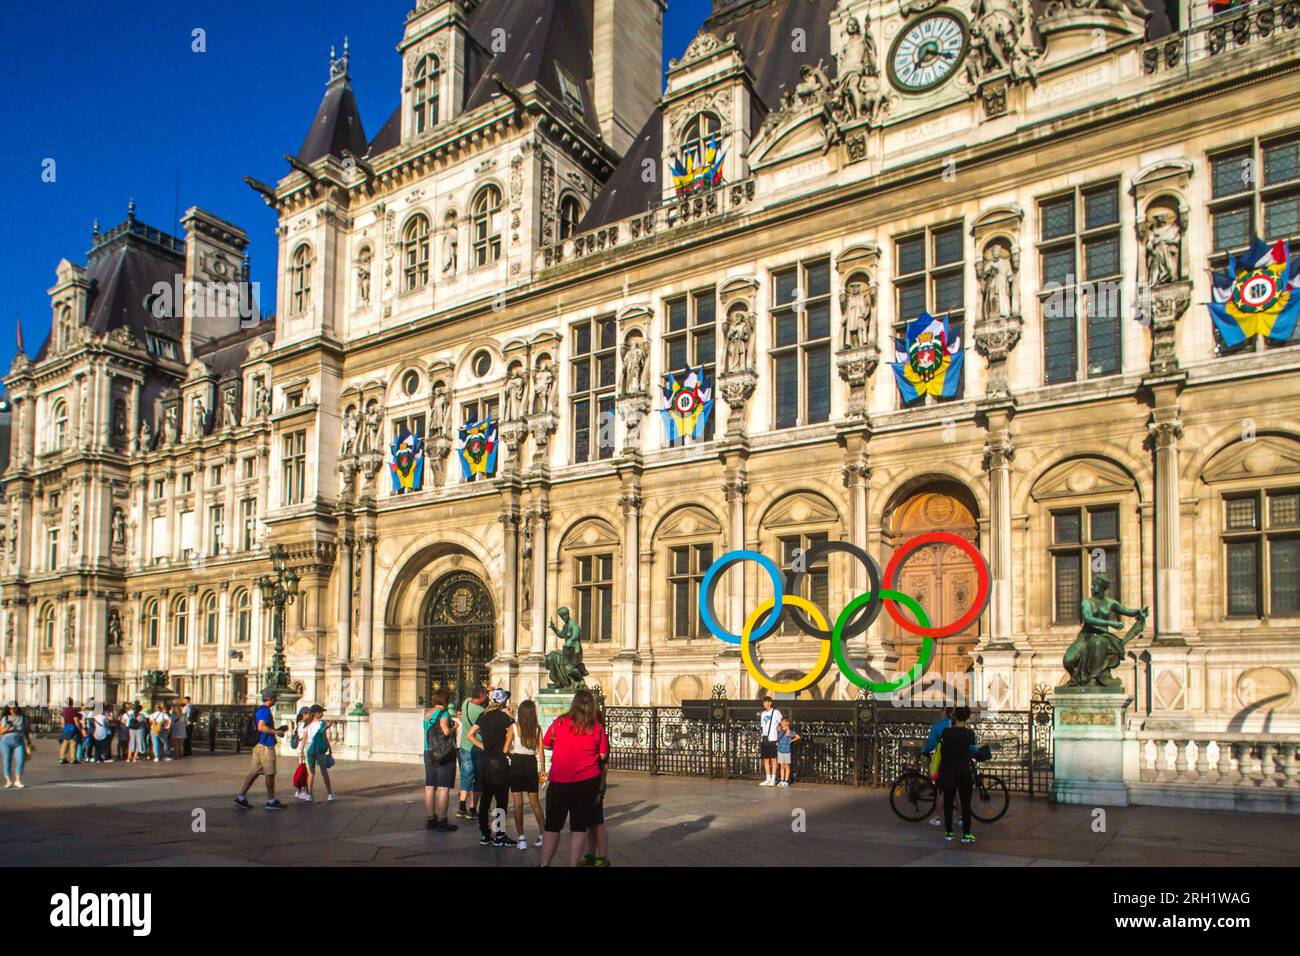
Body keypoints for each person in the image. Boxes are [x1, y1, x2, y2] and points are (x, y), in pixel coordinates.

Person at [540, 689, 608, 867]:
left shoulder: (559, 722)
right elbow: (602, 755)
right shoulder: (596, 728)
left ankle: (545, 864)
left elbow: (546, 743)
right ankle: (572, 864)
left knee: (552, 826)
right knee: (579, 827)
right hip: (586, 782)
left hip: (559, 780)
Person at [469, 688, 515, 847]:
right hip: (500, 762)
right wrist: (506, 748)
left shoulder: (483, 716)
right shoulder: (504, 717)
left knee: (486, 799)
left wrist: (482, 745)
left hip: (487, 762)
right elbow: (512, 732)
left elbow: (470, 735)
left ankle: (484, 833)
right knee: (501, 800)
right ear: (502, 701)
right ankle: (500, 834)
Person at [234, 690, 287, 810]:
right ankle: (271, 800)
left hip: (258, 745)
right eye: (274, 698)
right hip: (266, 746)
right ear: (269, 698)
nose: (276, 700)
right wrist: (277, 732)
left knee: (254, 772)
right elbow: (261, 727)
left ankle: (241, 797)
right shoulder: (265, 711)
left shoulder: (260, 709)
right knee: (270, 773)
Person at [937, 705, 979, 844]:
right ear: (967, 717)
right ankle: (966, 834)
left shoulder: (946, 732)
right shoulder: (969, 734)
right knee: (965, 803)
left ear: (954, 716)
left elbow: (942, 749)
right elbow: (972, 751)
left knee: (948, 802)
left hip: (948, 771)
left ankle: (949, 832)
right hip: (963, 771)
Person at [508, 699, 546, 850]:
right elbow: (541, 751)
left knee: (518, 804)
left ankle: (521, 838)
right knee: (535, 803)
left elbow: (505, 749)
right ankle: (543, 834)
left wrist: (512, 753)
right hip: (531, 764)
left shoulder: (513, 728)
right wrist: (543, 769)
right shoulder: (537, 729)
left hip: (517, 764)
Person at [422, 688, 458, 831]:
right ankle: (442, 820)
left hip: (428, 750)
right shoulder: (443, 714)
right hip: (443, 753)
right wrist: (454, 726)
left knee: (430, 786)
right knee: (443, 787)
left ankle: (431, 819)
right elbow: (446, 731)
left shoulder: (428, 713)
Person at [456, 688, 487, 819]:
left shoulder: (466, 702)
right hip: (478, 748)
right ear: (481, 696)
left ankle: (462, 806)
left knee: (466, 775)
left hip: (464, 746)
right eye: (485, 695)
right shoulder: (482, 712)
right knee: (478, 779)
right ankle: (473, 808)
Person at [921, 706, 954, 825]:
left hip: (944, 761)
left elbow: (931, 744)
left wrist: (925, 751)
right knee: (958, 791)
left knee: (942, 790)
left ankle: (937, 817)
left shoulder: (938, 726)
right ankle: (961, 818)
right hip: (958, 760)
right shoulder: (958, 725)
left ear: (945, 712)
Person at [302, 704, 335, 802]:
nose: (322, 714)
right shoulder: (323, 723)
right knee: (324, 772)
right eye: (321, 712)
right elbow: (324, 736)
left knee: (311, 773)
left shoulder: (307, 724)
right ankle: (329, 794)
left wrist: (301, 752)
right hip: (319, 748)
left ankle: (309, 795)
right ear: (316, 713)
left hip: (309, 748)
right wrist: (329, 748)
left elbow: (304, 739)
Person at [2, 703, 33, 789]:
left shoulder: (23, 719)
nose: (12, 710)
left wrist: (29, 741)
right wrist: (7, 727)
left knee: (21, 760)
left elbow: (26, 730)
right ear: (8, 709)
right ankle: (8, 780)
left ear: (17, 708)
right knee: (7, 760)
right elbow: (1, 731)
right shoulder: (5, 718)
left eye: (14, 708)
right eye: (11, 708)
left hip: (19, 740)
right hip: (6, 741)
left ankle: (17, 780)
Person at [758, 696, 783, 787]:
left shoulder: (776, 712)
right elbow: (762, 726)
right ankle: (768, 778)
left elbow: (782, 722)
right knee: (765, 759)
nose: (764, 704)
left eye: (766, 702)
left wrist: (781, 730)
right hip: (764, 738)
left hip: (773, 738)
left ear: (770, 703)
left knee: (773, 759)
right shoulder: (763, 714)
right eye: (763, 702)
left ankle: (773, 779)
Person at [292, 707, 312, 800]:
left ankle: (299, 790)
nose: (310, 715)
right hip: (302, 749)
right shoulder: (304, 724)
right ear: (304, 714)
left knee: (302, 769)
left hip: (300, 748)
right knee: (304, 771)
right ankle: (303, 791)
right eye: (308, 713)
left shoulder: (298, 724)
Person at [776, 717, 801, 788]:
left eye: (783, 722)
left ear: (786, 723)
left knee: (786, 766)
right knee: (781, 766)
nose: (782, 723)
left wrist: (790, 741)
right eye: (781, 722)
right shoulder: (780, 730)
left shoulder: (789, 731)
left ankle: (786, 780)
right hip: (780, 750)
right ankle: (782, 780)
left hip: (786, 751)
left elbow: (797, 736)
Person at [59, 698, 81, 764]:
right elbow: (76, 720)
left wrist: (64, 728)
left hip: (66, 728)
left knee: (64, 743)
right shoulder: (74, 710)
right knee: (73, 743)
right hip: (73, 727)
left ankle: (62, 758)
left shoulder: (64, 711)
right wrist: (79, 728)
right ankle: (73, 758)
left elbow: (62, 722)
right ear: (72, 703)